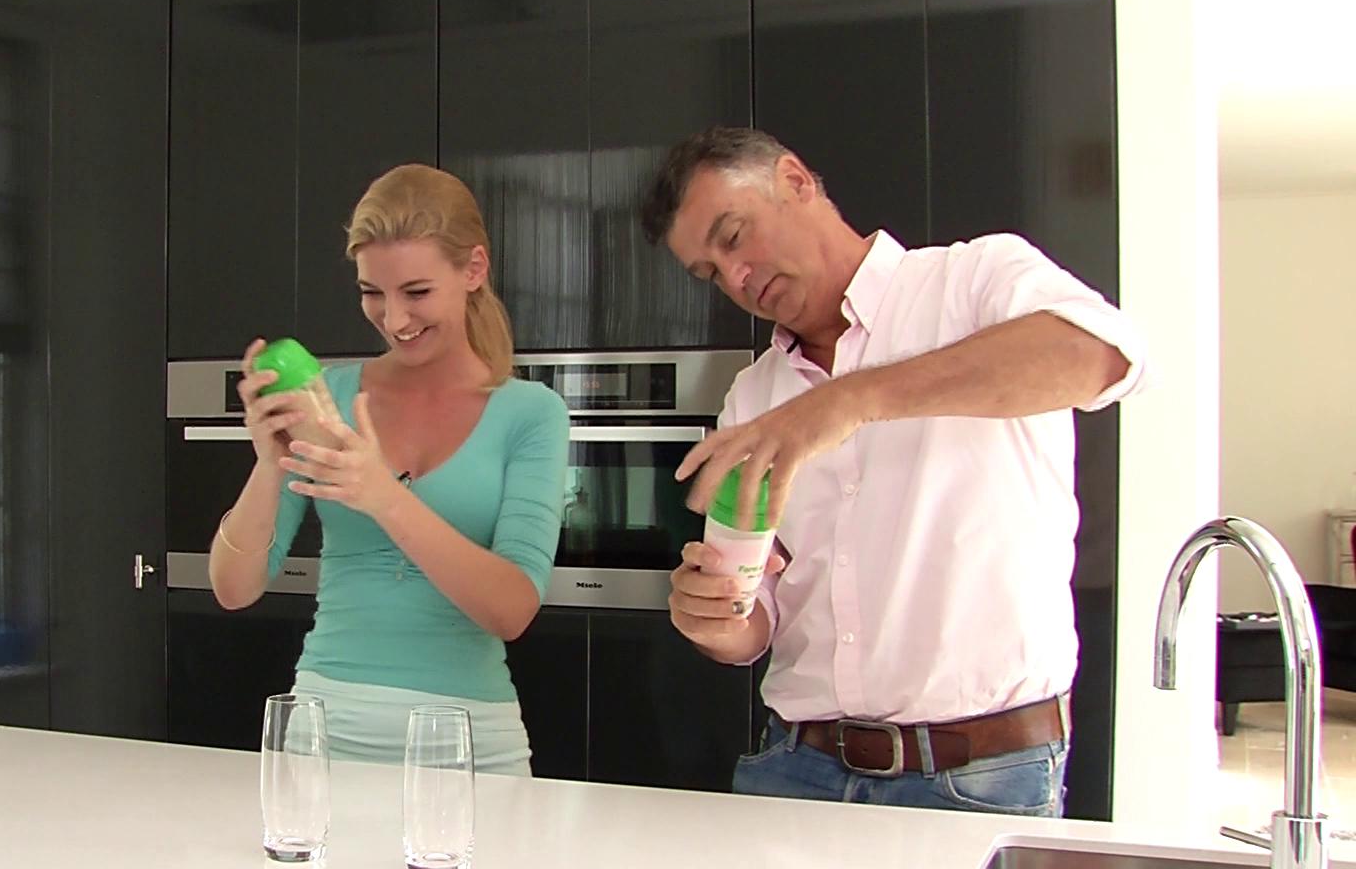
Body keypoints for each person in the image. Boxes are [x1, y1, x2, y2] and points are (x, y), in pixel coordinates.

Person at [640, 126, 1148, 815]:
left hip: (981, 777)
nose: (735, 279)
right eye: (710, 273)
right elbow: (761, 609)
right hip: (796, 767)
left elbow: (1101, 356)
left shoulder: (974, 281)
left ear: (795, 181)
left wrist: (848, 401)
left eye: (733, 237)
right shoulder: (752, 395)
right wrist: (719, 620)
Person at [208, 164, 570, 775]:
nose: (395, 319)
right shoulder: (328, 396)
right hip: (325, 730)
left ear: (473, 269)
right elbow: (234, 589)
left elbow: (512, 611)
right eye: (372, 293)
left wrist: (384, 496)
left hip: (469, 743)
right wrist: (269, 463)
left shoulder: (531, 413)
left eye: (417, 292)